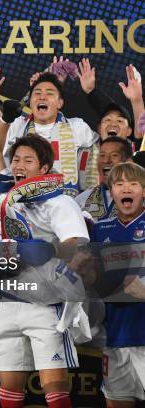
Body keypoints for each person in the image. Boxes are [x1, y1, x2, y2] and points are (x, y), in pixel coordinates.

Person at [0, 105, 91, 407]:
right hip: (7, 301)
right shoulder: (5, 201)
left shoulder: (59, 203)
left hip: (46, 303)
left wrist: (45, 251)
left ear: (44, 168)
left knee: (54, 389)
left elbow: (78, 245)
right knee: (8, 388)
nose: (19, 164)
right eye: (16, 159)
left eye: (27, 160)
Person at [80, 163, 145, 407]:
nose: (125, 188)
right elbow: (94, 282)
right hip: (115, 338)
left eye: (133, 183)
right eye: (119, 184)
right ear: (112, 192)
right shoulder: (100, 230)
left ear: (144, 191)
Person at [2, 72, 98, 197]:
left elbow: (104, 147)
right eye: (37, 93)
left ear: (60, 103)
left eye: (49, 93)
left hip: (67, 204)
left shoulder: (77, 126)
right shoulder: (16, 126)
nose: (42, 97)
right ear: (30, 102)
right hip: (25, 204)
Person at [75, 137, 132, 221]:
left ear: (128, 162)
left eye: (114, 155)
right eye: (102, 155)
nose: (106, 160)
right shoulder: (82, 200)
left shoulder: (140, 197)